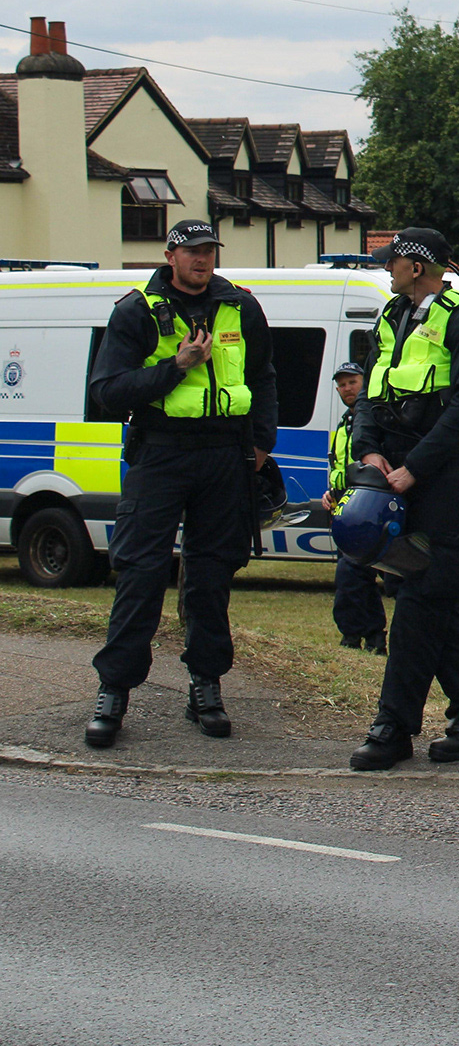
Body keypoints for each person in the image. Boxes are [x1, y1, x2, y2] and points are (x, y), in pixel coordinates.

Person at [84, 220, 278, 748]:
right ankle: (114, 691)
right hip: (161, 454)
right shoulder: (135, 311)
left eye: (209, 251)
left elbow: (262, 377)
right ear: (170, 255)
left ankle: (205, 686)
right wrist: (177, 365)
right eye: (192, 251)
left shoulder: (241, 306)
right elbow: (107, 391)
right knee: (141, 573)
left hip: (225, 455)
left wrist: (262, 442)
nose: (202, 260)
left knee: (212, 577)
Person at [347, 227, 459, 771]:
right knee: (433, 602)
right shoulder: (392, 315)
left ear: (416, 265)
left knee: (417, 603)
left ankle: (393, 728)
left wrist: (414, 469)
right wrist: (368, 453)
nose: (386, 269)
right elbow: (372, 389)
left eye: (392, 261)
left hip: (437, 480)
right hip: (391, 472)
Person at [323, 361, 386, 654]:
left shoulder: (374, 420)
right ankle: (370, 637)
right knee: (357, 577)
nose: (347, 388)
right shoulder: (344, 424)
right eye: (342, 384)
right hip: (344, 508)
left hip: (368, 510)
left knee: (352, 574)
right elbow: (340, 466)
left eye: (352, 382)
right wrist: (330, 494)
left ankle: (356, 636)